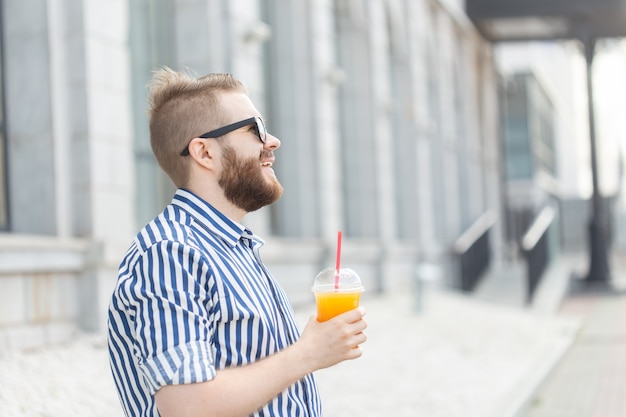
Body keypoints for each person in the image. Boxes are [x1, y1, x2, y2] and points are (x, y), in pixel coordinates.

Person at [107, 67, 368, 417]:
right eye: (256, 129)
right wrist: (309, 352)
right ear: (204, 152)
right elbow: (186, 408)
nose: (272, 141)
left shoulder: (234, 247)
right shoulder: (169, 253)